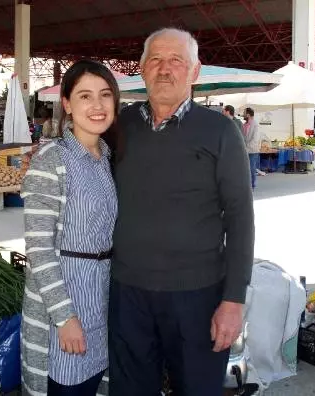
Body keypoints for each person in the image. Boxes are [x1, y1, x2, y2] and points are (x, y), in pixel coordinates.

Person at [109, 28, 254, 396]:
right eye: (155, 59)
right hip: (128, 293)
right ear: (141, 69)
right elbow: (81, 156)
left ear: (194, 72)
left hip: (197, 296)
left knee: (196, 389)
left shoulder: (221, 131)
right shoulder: (120, 126)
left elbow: (239, 217)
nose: (164, 69)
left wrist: (233, 299)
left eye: (177, 61)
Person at [21, 59, 120, 396]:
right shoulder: (52, 159)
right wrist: (64, 318)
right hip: (66, 300)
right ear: (66, 103)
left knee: (95, 382)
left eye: (105, 95)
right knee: (67, 383)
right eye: (85, 96)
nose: (97, 106)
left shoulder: (108, 158)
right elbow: (38, 247)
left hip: (102, 296)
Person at [244, 107, 261, 188]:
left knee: (251, 169)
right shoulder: (245, 124)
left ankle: (252, 186)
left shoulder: (255, 125)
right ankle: (247, 185)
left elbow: (255, 139)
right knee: (245, 169)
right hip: (245, 150)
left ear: (248, 114)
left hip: (253, 150)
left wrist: (246, 146)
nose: (243, 114)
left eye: (244, 113)